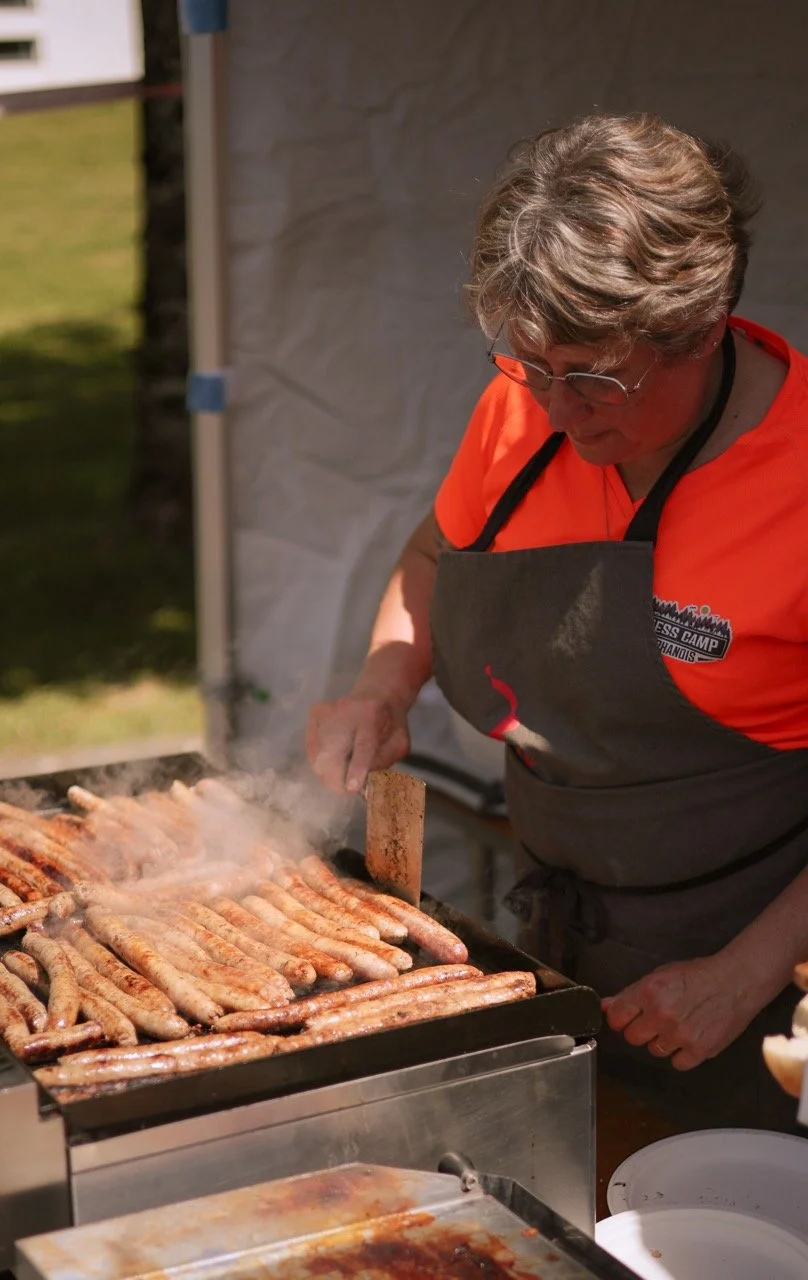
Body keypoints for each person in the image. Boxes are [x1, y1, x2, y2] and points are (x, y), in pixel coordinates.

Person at [306, 112, 808, 1130]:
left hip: (763, 986)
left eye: (593, 375)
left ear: (705, 325)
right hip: (562, 931)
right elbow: (431, 558)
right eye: (534, 367)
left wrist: (747, 972)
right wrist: (383, 683)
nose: (560, 410)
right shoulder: (522, 409)